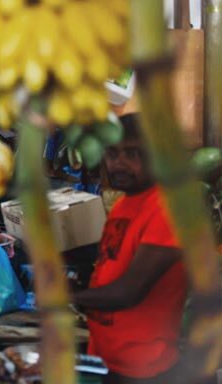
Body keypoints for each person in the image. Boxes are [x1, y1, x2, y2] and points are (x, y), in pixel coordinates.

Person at [73, 114, 187, 384]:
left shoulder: (167, 208)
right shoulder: (125, 204)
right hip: (109, 360)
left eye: (132, 153)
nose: (119, 163)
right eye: (112, 153)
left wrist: (67, 297)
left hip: (146, 371)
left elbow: (129, 292)